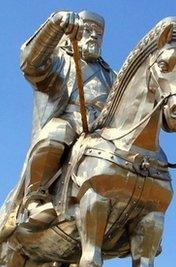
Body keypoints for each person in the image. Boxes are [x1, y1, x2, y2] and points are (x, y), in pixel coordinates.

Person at [18, 10, 116, 223]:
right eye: (88, 30)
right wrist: (54, 25)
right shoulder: (60, 59)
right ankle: (35, 199)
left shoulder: (111, 75)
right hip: (70, 120)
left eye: (98, 34)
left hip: (103, 130)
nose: (94, 37)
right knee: (57, 133)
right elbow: (30, 65)